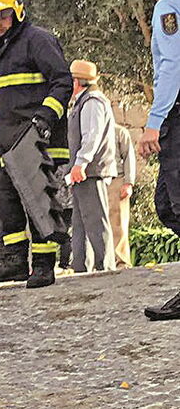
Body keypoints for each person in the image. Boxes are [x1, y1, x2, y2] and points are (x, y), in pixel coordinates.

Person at [0, 0, 72, 288]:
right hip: (9, 141)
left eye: (2, 16)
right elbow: (8, 99)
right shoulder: (2, 50)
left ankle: (44, 265)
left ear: (16, 11)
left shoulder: (37, 40)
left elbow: (62, 82)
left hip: (37, 139)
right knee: (3, 197)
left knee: (38, 203)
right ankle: (15, 261)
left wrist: (45, 117)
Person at [138, 0, 180, 320]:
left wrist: (154, 122)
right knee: (167, 204)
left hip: (177, 117)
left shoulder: (168, 6)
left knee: (175, 205)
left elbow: (171, 66)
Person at [67, 60, 117, 273]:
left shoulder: (92, 101)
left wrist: (81, 163)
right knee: (81, 223)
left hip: (91, 171)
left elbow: (92, 135)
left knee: (96, 222)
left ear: (76, 81)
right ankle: (81, 267)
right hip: (85, 172)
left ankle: (104, 267)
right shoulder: (85, 101)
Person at [109, 125, 136, 268]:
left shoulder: (119, 132)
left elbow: (128, 156)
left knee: (118, 223)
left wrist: (129, 182)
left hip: (117, 180)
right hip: (97, 181)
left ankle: (121, 261)